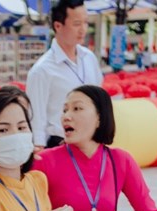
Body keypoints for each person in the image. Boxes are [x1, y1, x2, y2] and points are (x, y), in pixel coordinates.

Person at [34, 85, 157, 211]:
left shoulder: (121, 160)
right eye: (65, 110)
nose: (66, 116)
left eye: (77, 108)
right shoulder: (43, 161)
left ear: (99, 118)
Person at [26, 0, 103, 149]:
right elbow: (36, 116)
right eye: (77, 24)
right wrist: (39, 147)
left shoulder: (89, 58)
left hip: (92, 142)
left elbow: (100, 98)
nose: (83, 29)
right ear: (58, 26)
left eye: (86, 22)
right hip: (60, 144)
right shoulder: (42, 70)